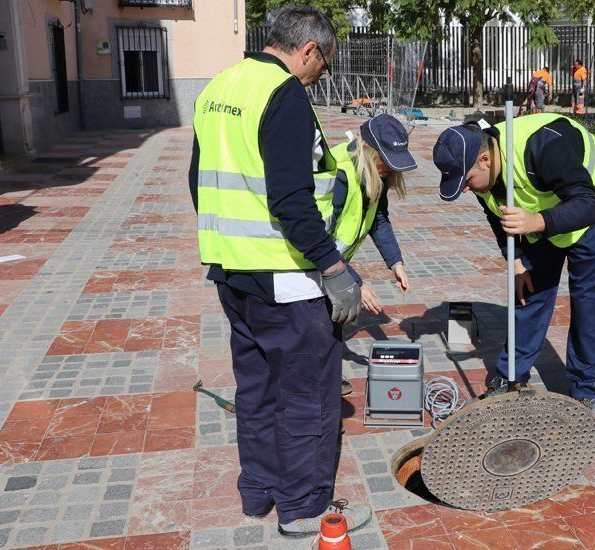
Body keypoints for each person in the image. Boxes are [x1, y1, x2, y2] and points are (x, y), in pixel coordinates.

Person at [189, 5, 370, 537]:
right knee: (308, 396)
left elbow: (198, 180)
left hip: (231, 274)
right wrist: (334, 265)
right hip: (287, 281)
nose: (320, 76)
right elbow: (293, 199)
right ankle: (303, 508)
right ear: (309, 50)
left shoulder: (219, 86)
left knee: (257, 389)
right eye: (323, 65)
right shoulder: (284, 94)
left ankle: (259, 492)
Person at [432, 113, 595, 412]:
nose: (465, 189)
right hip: (539, 216)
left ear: (485, 159)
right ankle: (510, 378)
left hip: (592, 210)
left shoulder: (543, 146)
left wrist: (537, 221)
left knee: (588, 302)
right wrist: (516, 260)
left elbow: (588, 203)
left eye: (466, 181)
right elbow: (496, 214)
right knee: (529, 294)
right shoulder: (482, 177)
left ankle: (584, 389)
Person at [328, 114, 416, 313]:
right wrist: (356, 283)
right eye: (387, 161)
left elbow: (378, 218)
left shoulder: (375, 174)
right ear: (368, 151)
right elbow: (319, 240)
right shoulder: (339, 175)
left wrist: (396, 263)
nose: (392, 169)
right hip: (313, 265)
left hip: (333, 265)